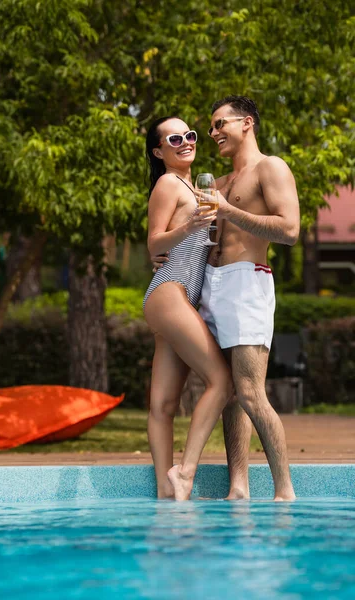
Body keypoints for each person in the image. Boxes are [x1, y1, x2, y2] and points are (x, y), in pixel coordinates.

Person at [154, 96, 300, 502]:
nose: (214, 133)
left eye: (220, 124)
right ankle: (239, 486)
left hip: (246, 282)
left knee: (250, 391)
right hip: (211, 284)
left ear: (247, 123)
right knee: (228, 393)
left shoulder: (270, 168)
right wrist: (167, 259)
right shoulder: (215, 183)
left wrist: (228, 212)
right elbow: (194, 238)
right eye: (212, 126)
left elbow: (289, 230)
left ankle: (284, 492)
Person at [143, 116, 233, 501]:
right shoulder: (167, 183)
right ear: (159, 151)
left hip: (175, 298)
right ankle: (186, 472)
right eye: (174, 139)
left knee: (163, 404)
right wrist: (189, 225)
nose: (186, 142)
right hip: (170, 292)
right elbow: (153, 243)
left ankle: (166, 490)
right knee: (223, 381)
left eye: (190, 135)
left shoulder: (194, 186)